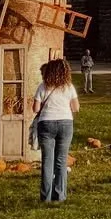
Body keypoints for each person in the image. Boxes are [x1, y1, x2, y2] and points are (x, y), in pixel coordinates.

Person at [31, 57, 78, 203]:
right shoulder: (69, 87)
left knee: (47, 161)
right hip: (65, 123)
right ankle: (60, 196)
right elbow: (76, 107)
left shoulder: (43, 86)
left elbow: (35, 108)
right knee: (61, 161)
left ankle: (46, 197)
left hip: (46, 123)